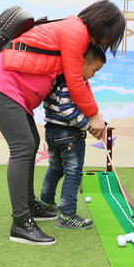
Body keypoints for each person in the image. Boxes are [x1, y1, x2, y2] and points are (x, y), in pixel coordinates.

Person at [0, 0, 125, 245]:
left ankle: (30, 207)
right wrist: (93, 115)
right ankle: (21, 224)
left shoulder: (75, 31)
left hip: (12, 90)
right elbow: (75, 81)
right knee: (22, 147)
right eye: (110, 36)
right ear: (104, 24)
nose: (107, 42)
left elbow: (80, 81)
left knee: (30, 143)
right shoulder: (76, 31)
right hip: (2, 85)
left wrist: (93, 114)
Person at [39, 45, 106, 230]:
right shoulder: (71, 82)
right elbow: (68, 111)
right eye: (94, 70)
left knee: (55, 168)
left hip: (52, 131)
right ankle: (67, 215)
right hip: (69, 134)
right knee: (73, 173)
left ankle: (46, 203)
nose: (93, 75)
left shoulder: (59, 78)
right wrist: (88, 126)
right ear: (82, 63)